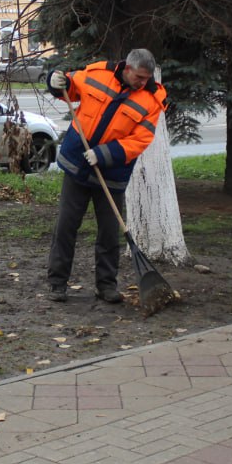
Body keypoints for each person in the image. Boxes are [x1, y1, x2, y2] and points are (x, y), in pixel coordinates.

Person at [44, 48, 168, 303]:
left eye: (147, 78)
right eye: (139, 77)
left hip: (112, 173)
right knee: (66, 226)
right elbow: (70, 86)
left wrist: (104, 154)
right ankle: (57, 283)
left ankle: (106, 285)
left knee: (110, 232)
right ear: (127, 69)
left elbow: (141, 139)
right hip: (78, 164)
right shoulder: (98, 73)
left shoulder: (151, 100)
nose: (143, 83)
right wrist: (57, 82)